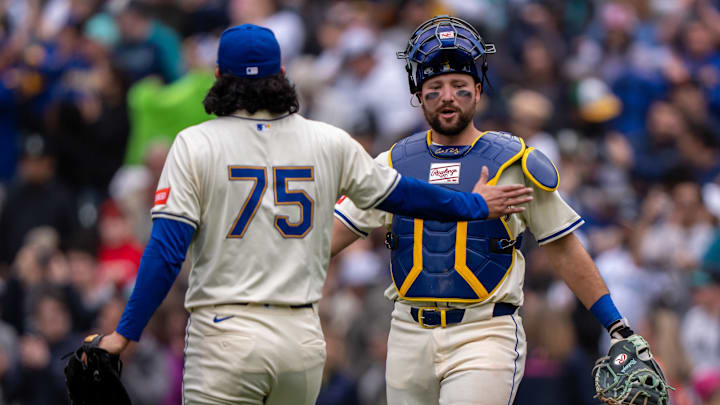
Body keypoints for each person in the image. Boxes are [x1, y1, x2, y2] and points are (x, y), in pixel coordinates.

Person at [87, 24, 533, 404]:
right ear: (281, 74)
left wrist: (125, 335)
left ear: (218, 76)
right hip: (300, 338)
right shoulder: (327, 140)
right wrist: (473, 204)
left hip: (224, 331)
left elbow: (165, 253)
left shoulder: (195, 143)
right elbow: (405, 195)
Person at [331, 15, 651, 405]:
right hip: (406, 331)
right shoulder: (392, 161)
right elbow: (334, 233)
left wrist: (617, 325)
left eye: (459, 86)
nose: (447, 96)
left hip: (485, 330)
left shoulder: (513, 161)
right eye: (435, 87)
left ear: (479, 91)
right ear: (418, 93)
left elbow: (563, 246)